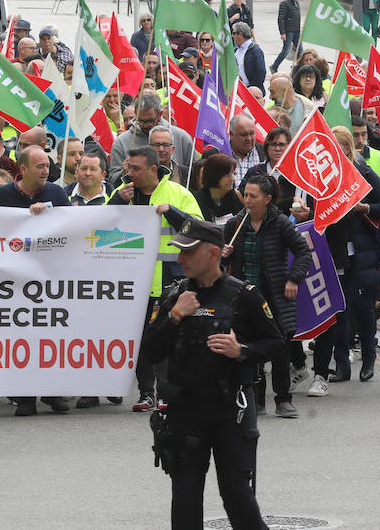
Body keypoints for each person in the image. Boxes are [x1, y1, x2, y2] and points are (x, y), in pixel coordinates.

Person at [142, 216, 283, 530]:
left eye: (188, 252)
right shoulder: (174, 296)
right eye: (179, 251)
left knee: (235, 493)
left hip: (230, 409)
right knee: (185, 496)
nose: (180, 259)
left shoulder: (243, 295)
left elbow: (276, 343)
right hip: (185, 411)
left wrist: (242, 351)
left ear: (213, 253)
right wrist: (175, 317)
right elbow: (150, 351)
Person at [108, 146, 201, 411]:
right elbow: (99, 231)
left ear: (152, 169)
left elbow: (199, 230)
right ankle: (146, 393)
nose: (130, 174)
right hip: (132, 282)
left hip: (170, 281)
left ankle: (165, 394)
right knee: (140, 339)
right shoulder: (121, 193)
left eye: (135, 169)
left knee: (168, 339)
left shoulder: (178, 193)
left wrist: (173, 212)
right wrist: (116, 204)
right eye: (128, 168)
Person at [218, 173, 310, 415]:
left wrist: (293, 279)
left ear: (267, 199)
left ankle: (283, 399)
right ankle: (255, 399)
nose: (247, 200)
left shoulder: (280, 223)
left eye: (253, 196)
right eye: (246, 195)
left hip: (274, 297)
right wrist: (223, 254)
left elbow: (303, 252)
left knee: (279, 347)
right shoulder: (235, 225)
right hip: (244, 297)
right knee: (248, 348)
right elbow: (218, 264)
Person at [0, 145, 71, 417]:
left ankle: (51, 393)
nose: (46, 171)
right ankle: (25, 397)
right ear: (23, 169)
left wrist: (49, 213)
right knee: (21, 339)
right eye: (40, 166)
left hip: (49, 279)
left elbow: (73, 225)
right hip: (14, 280)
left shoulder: (56, 193)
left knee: (49, 336)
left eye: (47, 166)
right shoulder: (2, 196)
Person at [329, 127, 380, 384]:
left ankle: (369, 358)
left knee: (364, 309)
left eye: (341, 146)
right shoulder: (325, 177)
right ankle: (342, 364)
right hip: (337, 253)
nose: (337, 152)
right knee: (340, 312)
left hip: (363, 253)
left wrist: (366, 208)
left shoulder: (364, 173)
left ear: (349, 148)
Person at [108, 92, 195, 186]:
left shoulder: (181, 137)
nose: (145, 125)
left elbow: (195, 174)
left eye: (150, 121)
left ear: (160, 114)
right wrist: (124, 174)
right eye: (140, 120)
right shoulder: (121, 142)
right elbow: (112, 180)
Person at [192, 152, 243, 223]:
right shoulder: (196, 200)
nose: (232, 179)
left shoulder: (237, 196)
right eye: (227, 175)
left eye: (233, 174)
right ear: (214, 176)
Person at [271, 0, 301, 73]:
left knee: (300, 51)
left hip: (297, 31)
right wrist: (282, 33)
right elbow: (281, 19)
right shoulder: (284, 3)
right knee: (286, 51)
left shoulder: (296, 2)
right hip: (288, 31)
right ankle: (274, 66)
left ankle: (298, 68)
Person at [231, 23, 266, 92]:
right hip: (236, 90)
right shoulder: (236, 50)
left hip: (250, 93)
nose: (232, 36)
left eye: (233, 33)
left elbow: (261, 73)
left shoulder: (255, 51)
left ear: (240, 34)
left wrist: (250, 89)